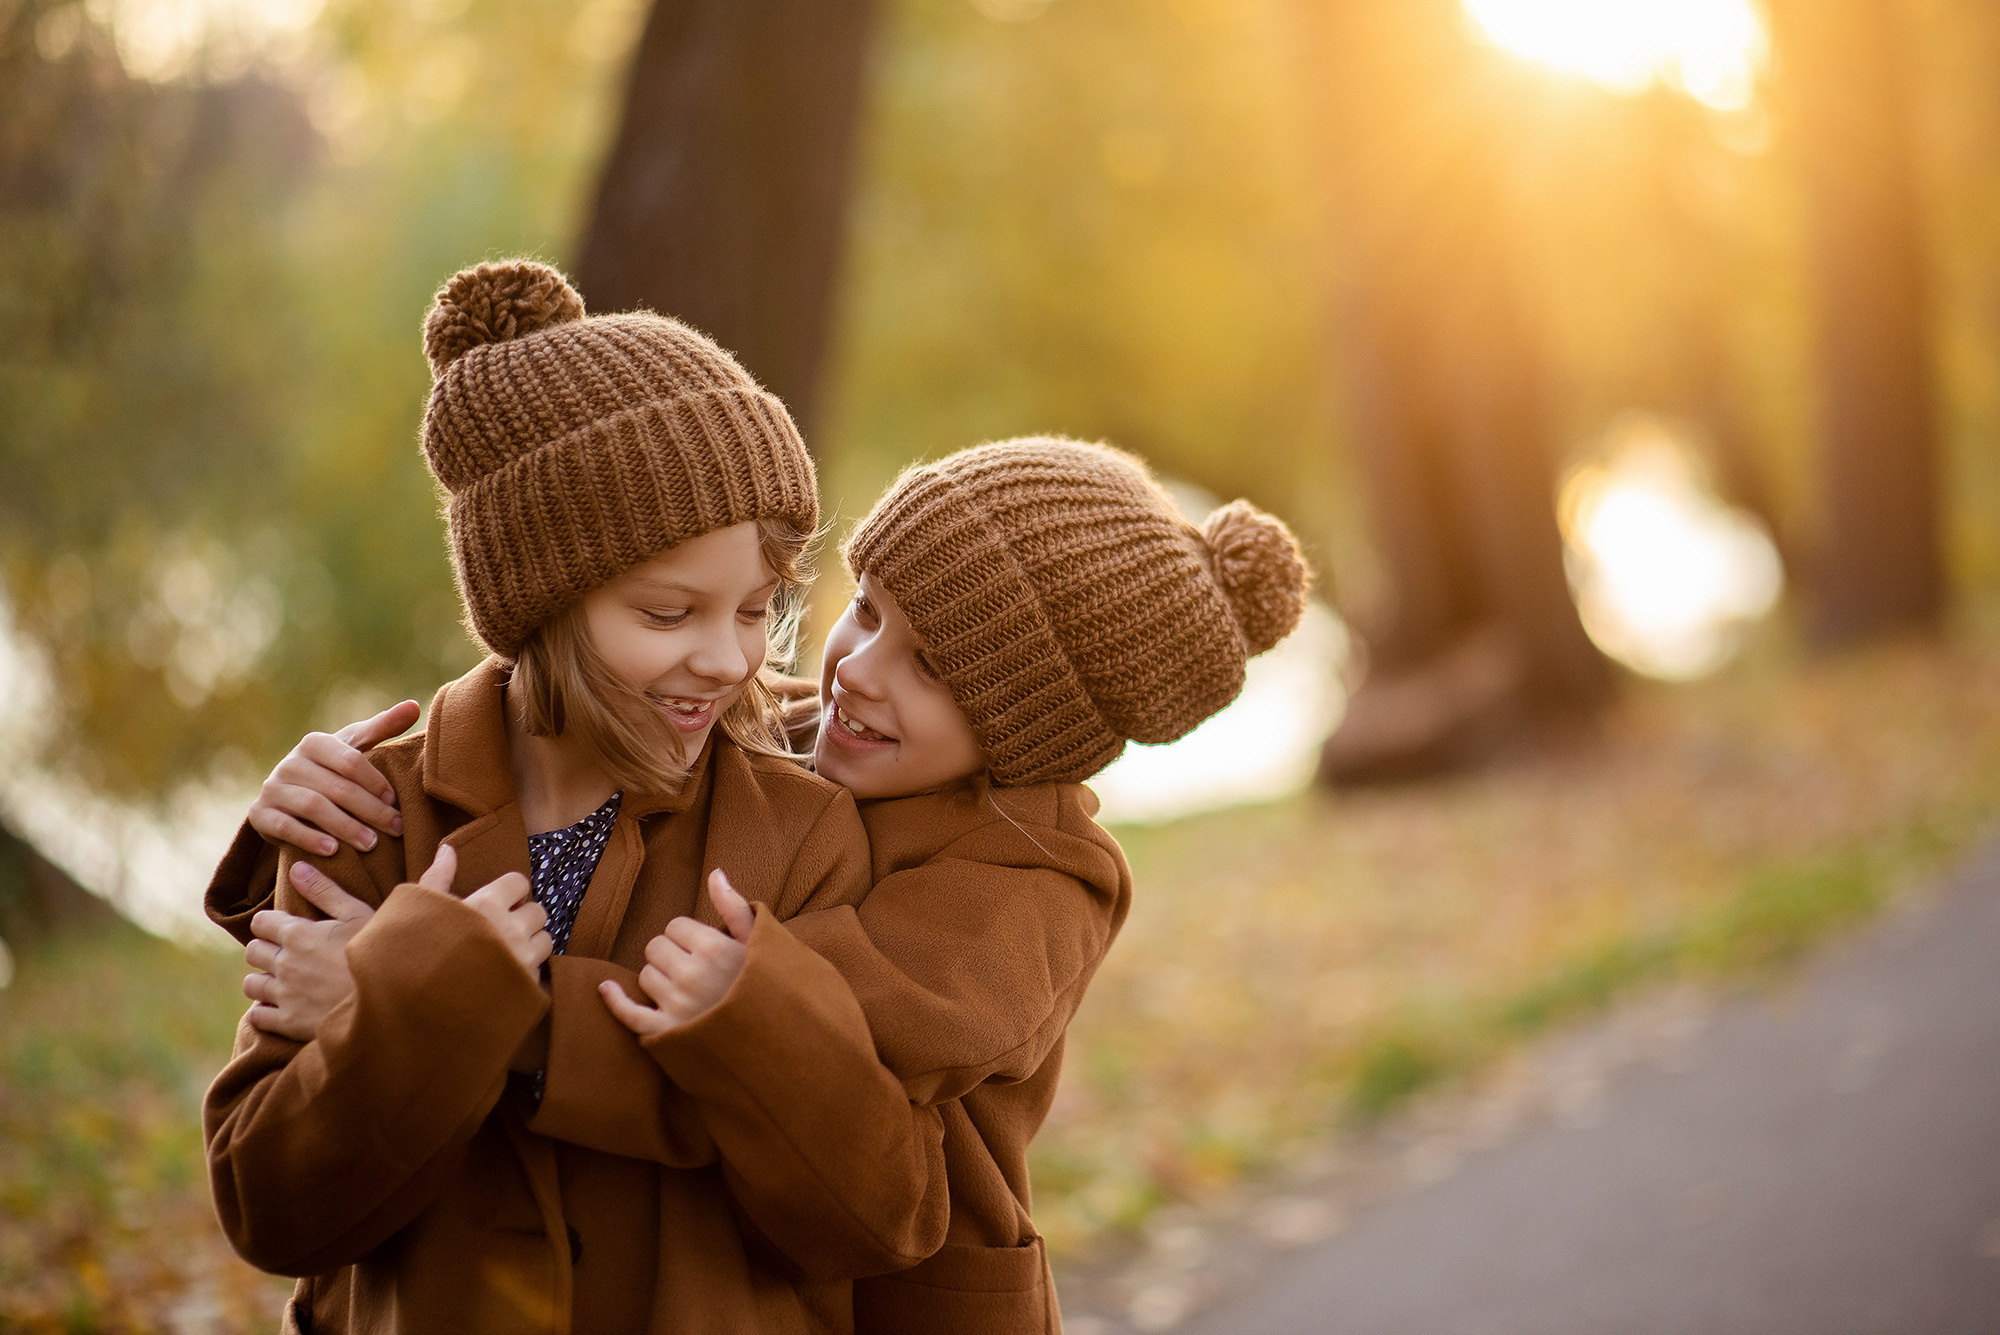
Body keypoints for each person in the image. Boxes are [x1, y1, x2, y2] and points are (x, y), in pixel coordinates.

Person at [226, 437, 1312, 1333]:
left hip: (899, 1299)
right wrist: (304, 818)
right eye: (869, 608)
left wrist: (423, 997)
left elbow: (739, 1024)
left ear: (1020, 732)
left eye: (930, 668)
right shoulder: (809, 731)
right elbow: (635, 694)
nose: (855, 667)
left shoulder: (1031, 887)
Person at [201, 258, 949, 1335]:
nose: (725, 658)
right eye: (666, 613)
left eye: (754, 608)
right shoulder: (371, 812)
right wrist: (421, 1008)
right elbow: (273, 1213)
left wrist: (745, 1031)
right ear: (537, 602)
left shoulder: (796, 830)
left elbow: (875, 1224)